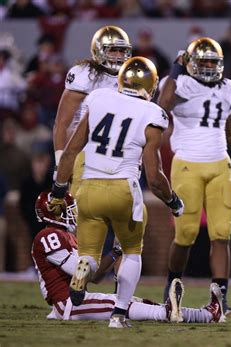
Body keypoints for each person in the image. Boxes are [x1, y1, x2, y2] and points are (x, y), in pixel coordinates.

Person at [48, 56, 185, 328]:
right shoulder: (152, 113)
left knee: (88, 252)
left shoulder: (99, 98)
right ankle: (119, 314)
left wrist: (58, 191)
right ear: (151, 85)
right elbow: (154, 175)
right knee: (132, 250)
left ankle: (83, 267)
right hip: (123, 188)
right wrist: (172, 201)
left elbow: (72, 150)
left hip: (88, 188)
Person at [33, 190, 225, 324]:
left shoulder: (66, 236)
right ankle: (182, 314)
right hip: (67, 304)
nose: (73, 213)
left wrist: (116, 250)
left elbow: (95, 276)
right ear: (54, 213)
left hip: (76, 301)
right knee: (124, 306)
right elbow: (80, 273)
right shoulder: (48, 236)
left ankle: (206, 314)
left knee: (135, 302)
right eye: (67, 209)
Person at [158, 37, 231, 315]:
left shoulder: (228, 88)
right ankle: (171, 286)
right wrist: (175, 70)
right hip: (187, 165)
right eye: (204, 61)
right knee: (185, 235)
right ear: (190, 63)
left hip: (221, 165)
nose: (209, 67)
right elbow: (162, 106)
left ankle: (219, 297)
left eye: (213, 62)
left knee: (222, 234)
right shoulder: (180, 83)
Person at [53, 25, 132, 195]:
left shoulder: (131, 78)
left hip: (118, 158)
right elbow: (62, 123)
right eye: (112, 50)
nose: (118, 56)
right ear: (98, 50)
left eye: (121, 51)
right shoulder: (84, 75)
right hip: (84, 155)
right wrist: (60, 162)